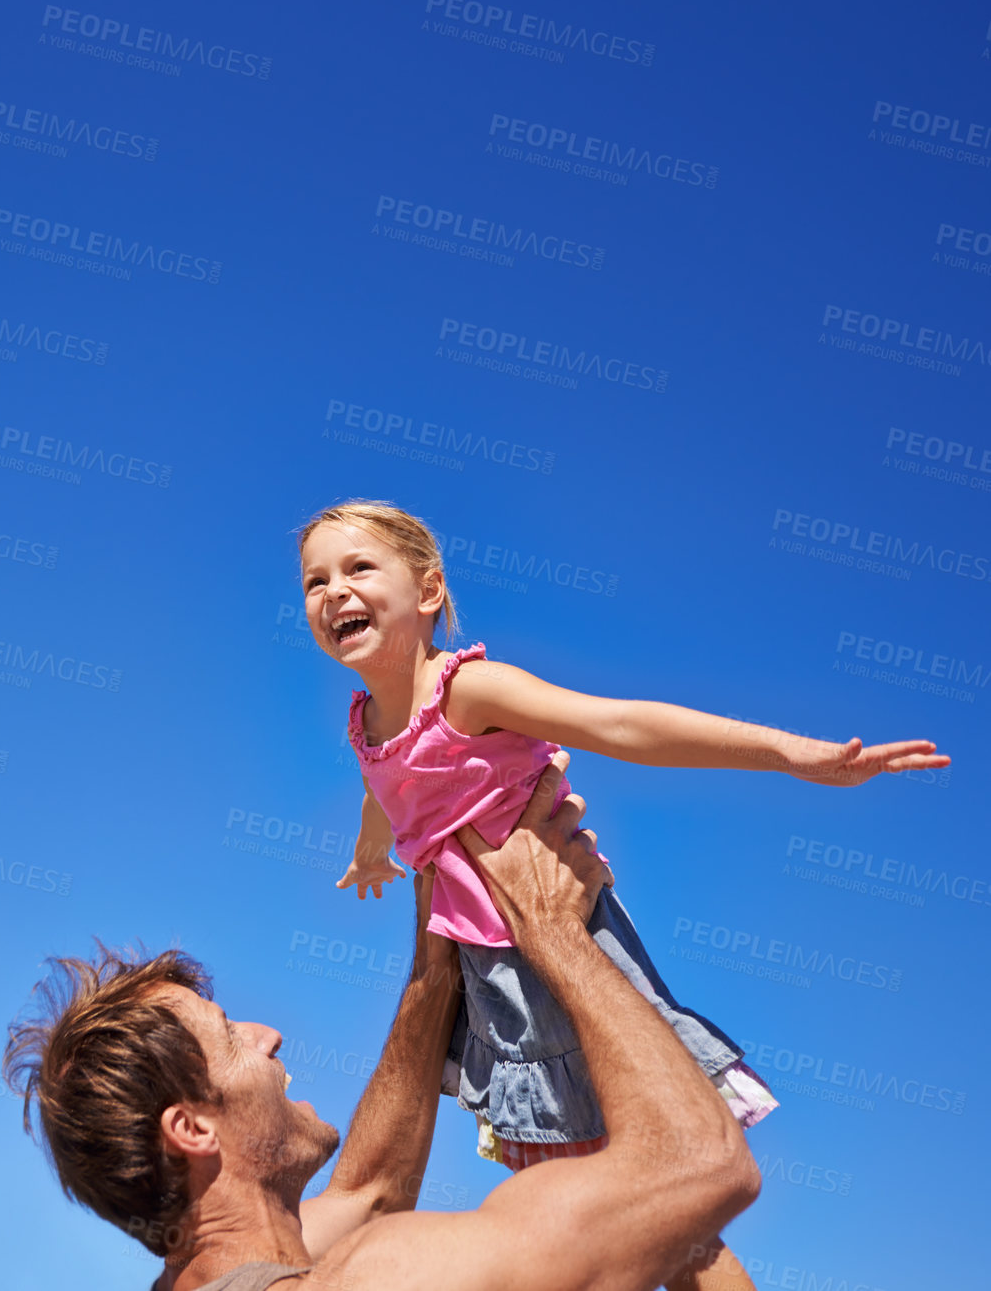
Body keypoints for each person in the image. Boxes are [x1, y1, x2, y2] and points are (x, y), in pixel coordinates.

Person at [295, 499, 950, 1289]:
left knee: (656, 1183)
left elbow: (619, 724)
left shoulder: (469, 691)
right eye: (315, 581)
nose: (334, 592)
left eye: (360, 569)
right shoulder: (366, 723)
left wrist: (788, 753)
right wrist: (373, 855)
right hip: (489, 970)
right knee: (587, 1190)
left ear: (429, 590)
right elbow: (383, 789)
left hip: (562, 941)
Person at [4, 759, 761, 1291]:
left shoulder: (233, 1269)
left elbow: (373, 1190)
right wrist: (551, 929)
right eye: (231, 1037)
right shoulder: (381, 1277)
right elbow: (701, 1165)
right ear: (193, 1130)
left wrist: (440, 901)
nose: (269, 1035)